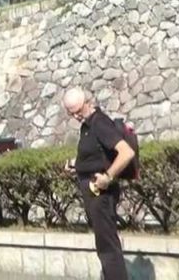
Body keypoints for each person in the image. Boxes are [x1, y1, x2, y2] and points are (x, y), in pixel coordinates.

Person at [62, 87, 136, 280]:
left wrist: (108, 177)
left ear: (88, 101)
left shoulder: (100, 123)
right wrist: (76, 165)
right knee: (104, 244)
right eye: (72, 114)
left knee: (108, 247)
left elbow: (126, 153)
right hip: (92, 192)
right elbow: (95, 157)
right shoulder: (87, 126)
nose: (77, 116)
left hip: (101, 193)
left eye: (78, 111)